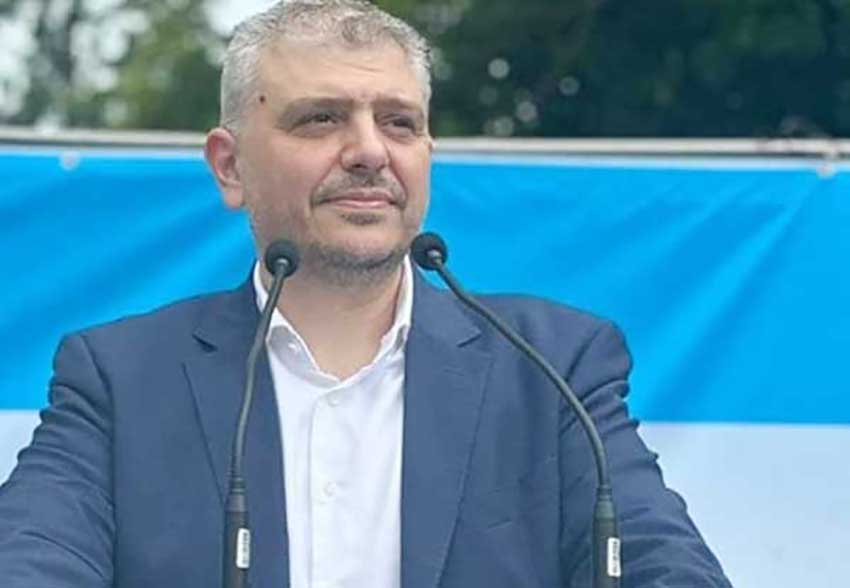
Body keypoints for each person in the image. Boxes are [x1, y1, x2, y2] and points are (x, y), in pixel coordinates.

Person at [0, 1, 732, 587]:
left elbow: (666, 568)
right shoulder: (119, 378)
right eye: (321, 118)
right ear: (230, 166)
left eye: (399, 123)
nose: (370, 151)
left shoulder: (553, 369)